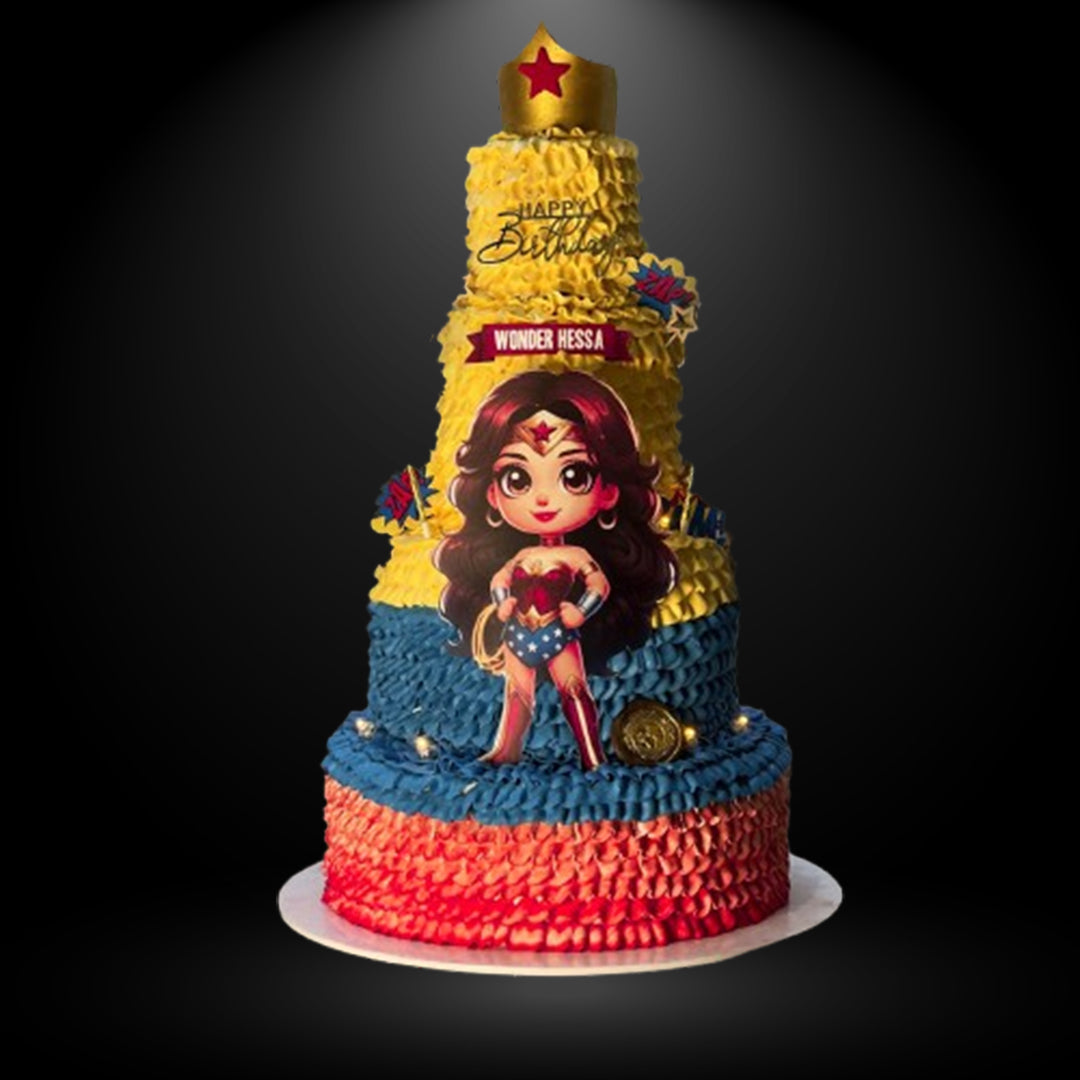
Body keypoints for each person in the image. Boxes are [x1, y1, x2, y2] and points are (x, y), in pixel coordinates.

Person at [435, 370, 677, 770]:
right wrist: (502, 602)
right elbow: (500, 579)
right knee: (517, 692)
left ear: (608, 491)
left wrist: (581, 610)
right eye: (517, 478)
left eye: (574, 476)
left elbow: (598, 583)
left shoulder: (576, 555)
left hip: (558, 632)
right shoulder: (521, 556)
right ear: (493, 493)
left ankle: (591, 754)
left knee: (575, 690)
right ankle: (507, 748)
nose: (544, 498)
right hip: (518, 633)